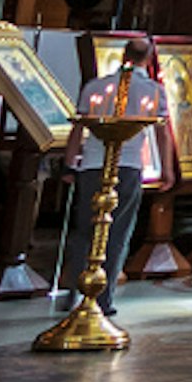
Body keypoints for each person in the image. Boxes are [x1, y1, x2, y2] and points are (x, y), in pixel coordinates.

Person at [58, 38, 168, 309]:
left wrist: (70, 164)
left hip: (91, 166)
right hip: (128, 167)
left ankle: (75, 295)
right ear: (150, 58)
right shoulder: (153, 91)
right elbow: (163, 134)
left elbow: (78, 128)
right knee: (117, 233)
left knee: (84, 231)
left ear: (123, 55)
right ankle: (102, 300)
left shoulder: (95, 87)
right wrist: (166, 169)